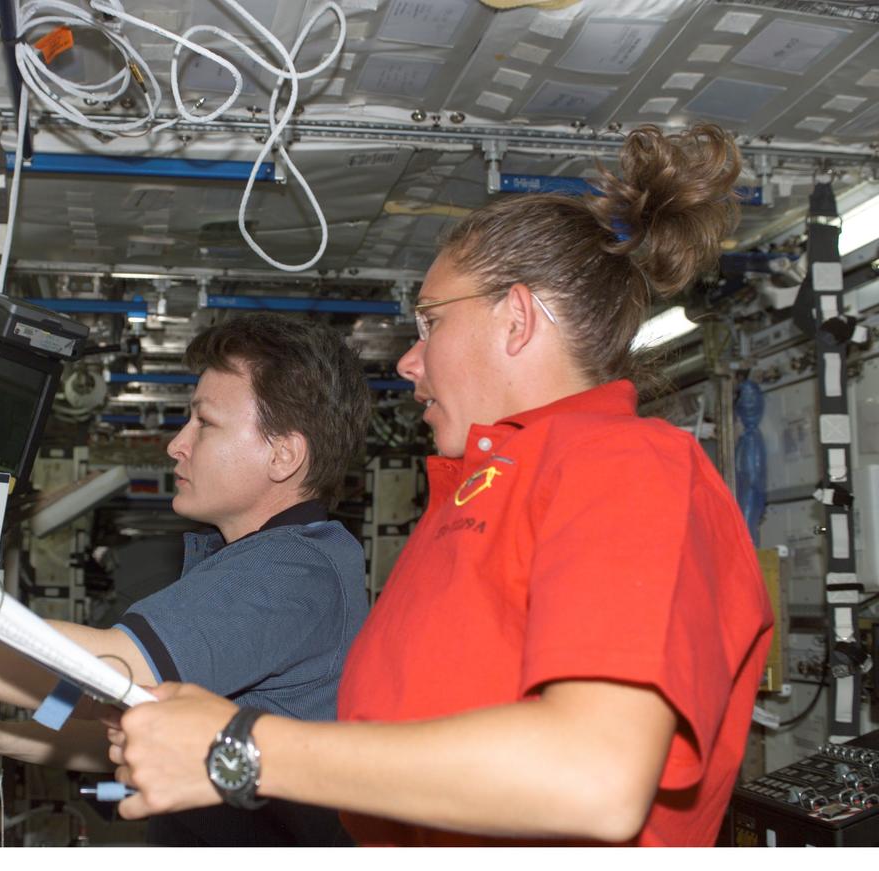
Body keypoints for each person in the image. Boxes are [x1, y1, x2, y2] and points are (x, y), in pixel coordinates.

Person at [106, 123, 775, 846]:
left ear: (516, 318)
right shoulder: (473, 495)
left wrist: (241, 746)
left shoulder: (627, 467)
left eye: (429, 323)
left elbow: (593, 775)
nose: (408, 361)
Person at [0, 312, 372, 846]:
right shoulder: (275, 558)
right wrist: (4, 735)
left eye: (204, 423)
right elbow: (127, 716)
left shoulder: (291, 571)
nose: (176, 445)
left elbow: (108, 673)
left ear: (283, 454)